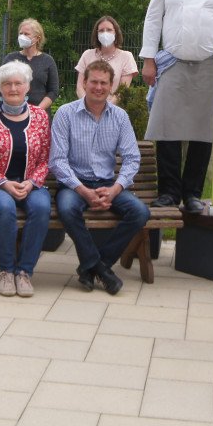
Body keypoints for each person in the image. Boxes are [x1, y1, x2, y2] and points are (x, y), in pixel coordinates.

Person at [140, 0, 213, 215]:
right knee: (167, 129)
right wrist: (148, 58)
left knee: (203, 131)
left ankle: (192, 194)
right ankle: (168, 192)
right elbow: (153, 17)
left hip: (211, 63)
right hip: (173, 61)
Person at [50, 60, 149, 295]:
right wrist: (82, 190)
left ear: (111, 85)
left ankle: (95, 266)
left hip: (107, 185)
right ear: (84, 82)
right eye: (93, 81)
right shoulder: (66, 113)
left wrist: (115, 189)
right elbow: (57, 160)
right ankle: (101, 270)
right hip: (74, 186)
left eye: (104, 82)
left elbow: (132, 158)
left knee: (140, 212)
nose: (98, 87)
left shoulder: (120, 117)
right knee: (66, 210)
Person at [0, 61, 52, 297]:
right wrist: (3, 182)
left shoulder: (40, 116)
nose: (13, 88)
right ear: (0, 88)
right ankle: (7, 271)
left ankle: (24, 272)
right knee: (5, 207)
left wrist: (32, 182)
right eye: (7, 84)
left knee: (41, 207)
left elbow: (46, 158)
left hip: (30, 183)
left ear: (28, 87)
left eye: (18, 83)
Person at [75, 16, 138, 104]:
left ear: (115, 32)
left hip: (114, 110)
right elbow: (80, 87)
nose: (105, 33)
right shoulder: (87, 55)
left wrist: (105, 109)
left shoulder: (126, 57)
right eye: (101, 30)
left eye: (109, 30)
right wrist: (88, 106)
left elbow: (122, 91)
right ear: (96, 34)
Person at [2, 18, 59, 110]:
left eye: (26, 34)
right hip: (14, 111)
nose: (22, 36)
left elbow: (53, 91)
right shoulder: (10, 58)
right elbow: (1, 85)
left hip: (39, 113)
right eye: (20, 33)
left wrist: (37, 111)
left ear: (37, 38)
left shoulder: (48, 61)